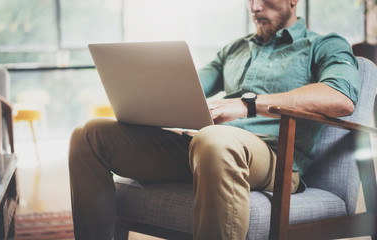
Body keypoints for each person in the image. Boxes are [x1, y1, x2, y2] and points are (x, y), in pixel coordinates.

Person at [68, 0, 360, 239]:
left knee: (215, 140)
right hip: (204, 148)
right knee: (89, 135)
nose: (255, 7)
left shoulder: (323, 45)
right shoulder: (234, 49)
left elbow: (340, 96)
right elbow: (183, 90)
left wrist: (247, 105)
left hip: (274, 157)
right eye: (250, 0)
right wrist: (146, 97)